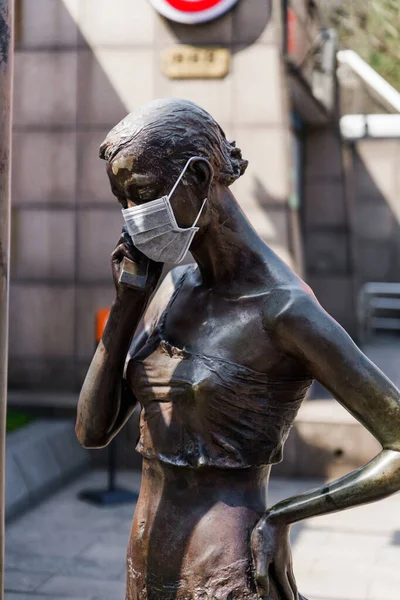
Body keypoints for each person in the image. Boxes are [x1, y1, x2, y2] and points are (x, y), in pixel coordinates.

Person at [76, 98, 400, 600]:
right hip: (143, 557)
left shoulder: (284, 310)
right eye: (123, 201)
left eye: (142, 194)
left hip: (223, 565)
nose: (132, 217)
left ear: (201, 178)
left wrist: (287, 516)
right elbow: (92, 431)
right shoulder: (175, 287)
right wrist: (126, 307)